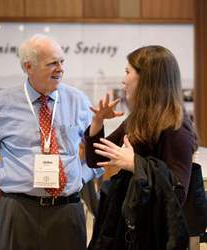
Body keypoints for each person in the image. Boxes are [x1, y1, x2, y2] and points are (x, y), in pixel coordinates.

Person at [0, 34, 103, 250]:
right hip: (19, 211)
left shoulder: (78, 101)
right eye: (52, 63)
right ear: (29, 67)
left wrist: (81, 177)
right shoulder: (2, 103)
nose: (60, 69)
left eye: (62, 62)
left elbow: (99, 152)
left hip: (67, 211)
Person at [84, 45, 198, 250]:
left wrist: (135, 164)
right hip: (126, 227)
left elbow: (177, 194)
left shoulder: (177, 127)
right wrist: (97, 123)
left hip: (153, 237)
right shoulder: (137, 119)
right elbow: (95, 160)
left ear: (146, 78)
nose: (123, 79)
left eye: (127, 72)